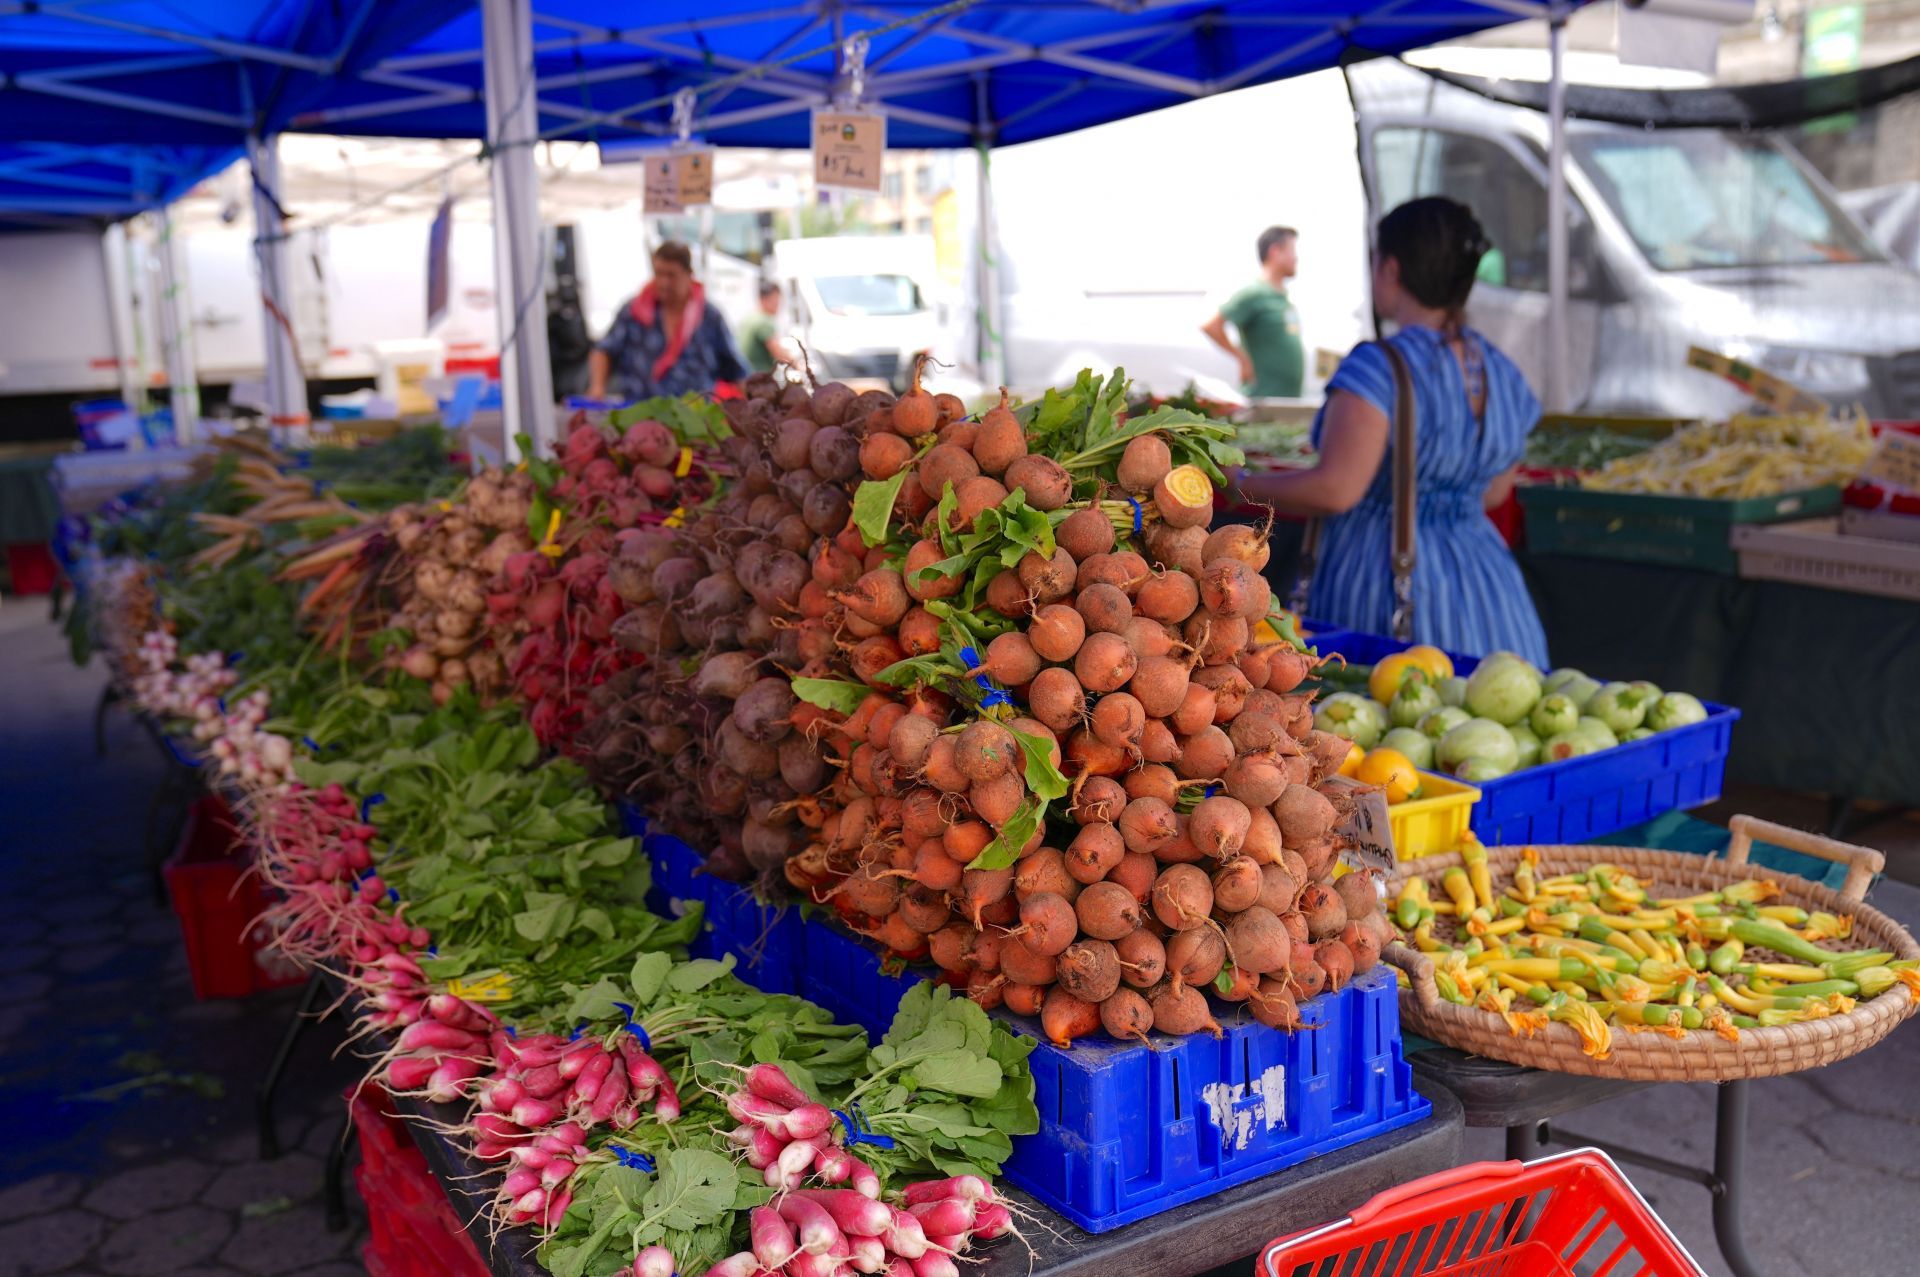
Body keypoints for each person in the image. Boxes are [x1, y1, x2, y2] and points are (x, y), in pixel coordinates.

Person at [1237, 197, 1548, 665]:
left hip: (1386, 583)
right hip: (1489, 591)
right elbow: (1494, 493)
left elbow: (1336, 490)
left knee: (1385, 722)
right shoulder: (1500, 369)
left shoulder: (1378, 367)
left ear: (1392, 269)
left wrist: (1237, 483)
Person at [588, 241, 746, 400]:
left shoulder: (710, 317)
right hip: (640, 415)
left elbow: (736, 371)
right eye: (658, 273)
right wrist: (597, 387)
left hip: (696, 418)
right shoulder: (633, 311)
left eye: (671, 275)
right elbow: (603, 350)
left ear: (689, 274)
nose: (664, 283)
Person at [1203, 226, 1305, 399]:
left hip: (1287, 400)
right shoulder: (1255, 293)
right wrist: (1242, 358)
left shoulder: (1283, 299)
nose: (1296, 258)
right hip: (1262, 399)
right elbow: (1211, 326)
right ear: (1275, 251)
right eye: (1292, 250)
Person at [738, 281, 797, 375]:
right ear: (763, 300)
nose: (778, 305)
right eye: (775, 301)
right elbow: (779, 353)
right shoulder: (764, 322)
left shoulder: (749, 318)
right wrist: (798, 365)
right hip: (760, 379)